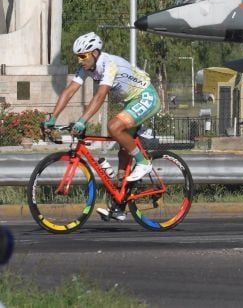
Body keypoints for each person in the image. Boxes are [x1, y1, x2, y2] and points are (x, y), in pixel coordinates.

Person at [44, 32, 160, 221]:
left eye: (83, 56)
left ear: (95, 53)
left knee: (113, 127)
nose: (80, 60)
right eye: (78, 56)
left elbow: (99, 96)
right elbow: (69, 91)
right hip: (130, 102)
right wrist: (52, 118)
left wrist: (83, 121)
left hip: (146, 97)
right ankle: (120, 206)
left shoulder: (109, 64)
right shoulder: (87, 68)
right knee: (123, 153)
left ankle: (144, 163)